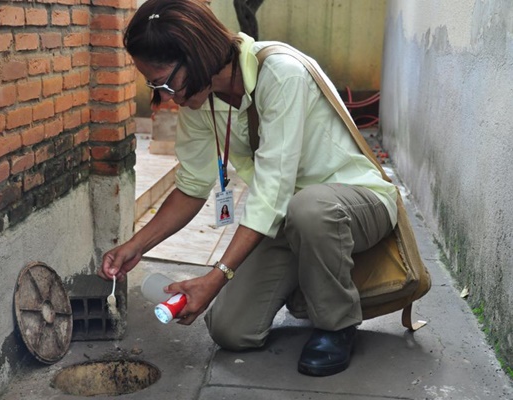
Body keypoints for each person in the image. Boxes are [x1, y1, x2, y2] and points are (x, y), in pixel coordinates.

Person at [99, 0, 398, 377]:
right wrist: (135, 246)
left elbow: (272, 191)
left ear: (195, 54)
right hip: (290, 215)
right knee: (230, 330)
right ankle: (308, 282)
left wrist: (217, 274)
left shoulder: (282, 74)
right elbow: (192, 187)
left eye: (164, 81)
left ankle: (336, 324)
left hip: (354, 201)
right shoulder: (200, 102)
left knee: (310, 210)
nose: (165, 95)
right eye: (152, 85)